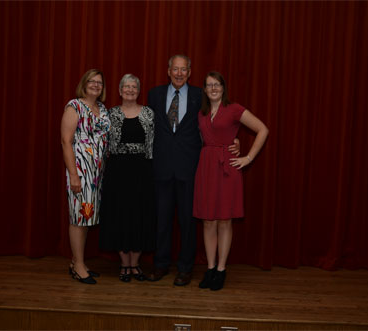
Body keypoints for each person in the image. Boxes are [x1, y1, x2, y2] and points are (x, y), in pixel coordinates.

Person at [146, 55, 239, 286]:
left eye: (183, 70)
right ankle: (160, 265)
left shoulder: (201, 95)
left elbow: (217, 123)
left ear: (189, 72)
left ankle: (185, 268)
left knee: (188, 222)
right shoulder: (154, 95)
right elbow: (148, 129)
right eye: (175, 69)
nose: (179, 73)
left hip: (192, 169)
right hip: (162, 167)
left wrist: (234, 142)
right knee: (162, 220)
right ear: (168, 71)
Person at [194, 71, 268, 291]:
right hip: (206, 165)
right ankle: (210, 267)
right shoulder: (202, 112)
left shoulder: (234, 108)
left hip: (227, 167)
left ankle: (221, 270)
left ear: (223, 88)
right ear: (205, 90)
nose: (213, 88)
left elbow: (263, 129)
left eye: (217, 84)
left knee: (225, 219)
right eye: (209, 85)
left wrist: (248, 157)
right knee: (208, 220)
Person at [99, 74, 155, 282]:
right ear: (120, 90)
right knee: (120, 214)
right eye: (126, 87)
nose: (130, 90)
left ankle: (135, 263)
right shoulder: (110, 114)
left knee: (140, 214)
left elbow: (155, 142)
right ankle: (124, 263)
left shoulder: (149, 113)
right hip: (118, 170)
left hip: (142, 169)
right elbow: (101, 141)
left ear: (138, 91)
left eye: (134, 87)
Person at [60, 69, 110, 284]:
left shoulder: (102, 108)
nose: (95, 85)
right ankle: (78, 265)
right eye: (91, 81)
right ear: (84, 83)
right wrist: (73, 175)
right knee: (79, 219)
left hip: (98, 174)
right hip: (81, 171)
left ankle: (77, 261)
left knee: (86, 216)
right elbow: (65, 141)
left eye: (99, 82)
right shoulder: (75, 106)